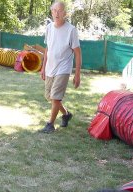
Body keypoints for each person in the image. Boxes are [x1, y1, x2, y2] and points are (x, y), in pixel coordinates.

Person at [40, 1, 82, 133]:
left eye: (59, 10)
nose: (56, 13)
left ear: (65, 13)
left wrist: (77, 74)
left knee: (56, 96)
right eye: (54, 10)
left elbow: (77, 53)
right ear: (51, 12)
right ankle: (66, 114)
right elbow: (48, 48)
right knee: (50, 97)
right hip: (50, 68)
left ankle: (50, 124)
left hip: (63, 68)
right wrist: (43, 67)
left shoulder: (71, 30)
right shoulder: (49, 28)